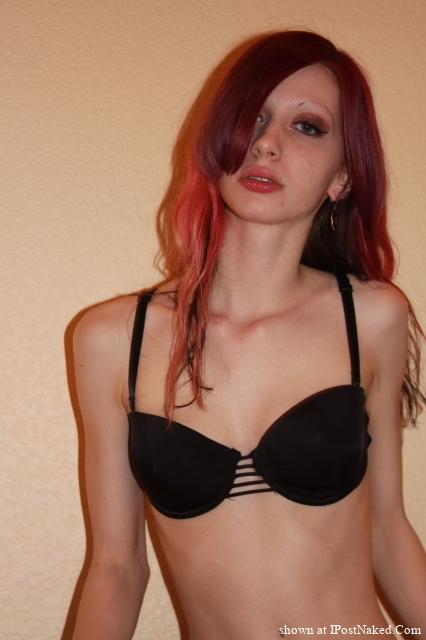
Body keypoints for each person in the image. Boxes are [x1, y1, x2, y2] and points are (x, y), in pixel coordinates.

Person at [70, 30, 426, 640]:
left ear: (342, 177)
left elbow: (388, 529)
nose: (266, 143)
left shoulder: (371, 318)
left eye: (307, 126)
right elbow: (117, 568)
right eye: (253, 118)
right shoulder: (111, 340)